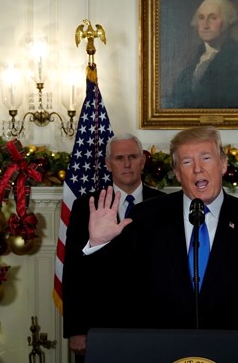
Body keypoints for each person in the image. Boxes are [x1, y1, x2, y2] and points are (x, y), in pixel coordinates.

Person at [86, 126, 238, 359]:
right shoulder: (146, 217)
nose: (197, 169)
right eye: (187, 162)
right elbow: (116, 287)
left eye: (206, 158)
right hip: (160, 350)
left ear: (223, 164)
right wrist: (99, 244)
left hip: (233, 351)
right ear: (176, 172)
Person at [61, 133, 164, 361]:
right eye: (119, 158)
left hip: (152, 325)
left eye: (132, 157)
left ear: (143, 161)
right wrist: (76, 329)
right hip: (99, 325)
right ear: (108, 164)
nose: (127, 164)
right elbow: (73, 271)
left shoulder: (164, 205)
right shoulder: (86, 206)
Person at [167, 0, 238, 109]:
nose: (205, 25)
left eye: (213, 18)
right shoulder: (188, 70)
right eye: (201, 18)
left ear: (228, 22)